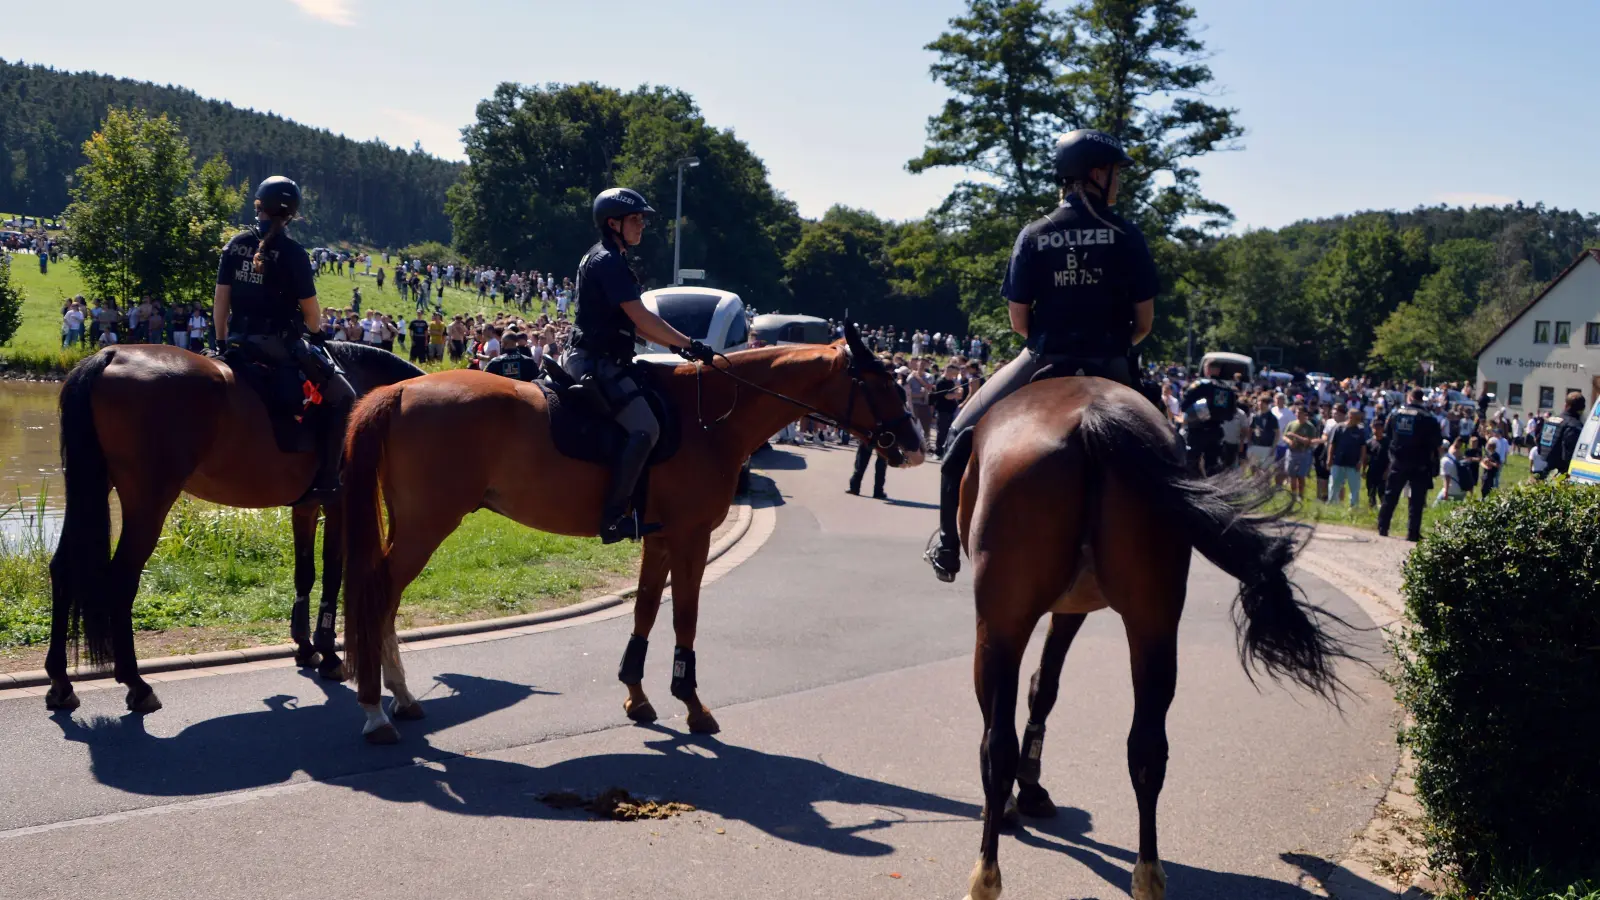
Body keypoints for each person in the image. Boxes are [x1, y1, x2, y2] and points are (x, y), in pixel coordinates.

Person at [926, 129, 1157, 581]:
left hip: (1045, 356)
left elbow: (1019, 321)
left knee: (959, 435)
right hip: (1111, 362)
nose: (1119, 181)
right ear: (1096, 174)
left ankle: (948, 545)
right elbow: (1144, 323)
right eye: (1116, 173)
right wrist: (1111, 349)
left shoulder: (1034, 234)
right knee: (1172, 450)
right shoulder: (1127, 234)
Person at [564, 187, 715, 544]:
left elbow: (634, 324)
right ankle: (613, 518)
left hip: (603, 357)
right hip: (596, 361)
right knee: (645, 428)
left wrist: (676, 347)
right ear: (612, 223)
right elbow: (642, 318)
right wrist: (689, 343)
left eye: (642, 220)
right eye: (635, 219)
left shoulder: (608, 257)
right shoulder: (607, 261)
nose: (641, 225)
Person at [213, 175, 355, 498]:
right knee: (344, 396)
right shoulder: (293, 253)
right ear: (291, 214)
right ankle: (327, 481)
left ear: (258, 205)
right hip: (278, 347)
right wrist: (316, 336)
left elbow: (220, 301)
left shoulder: (235, 245)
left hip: (237, 343)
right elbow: (311, 312)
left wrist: (220, 344)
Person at [1377, 388, 1444, 542]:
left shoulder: (1395, 414)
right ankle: (1412, 533)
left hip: (1398, 460)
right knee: (1417, 499)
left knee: (1391, 495)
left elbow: (1388, 434)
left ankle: (1383, 527)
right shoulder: (1428, 418)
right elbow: (1436, 442)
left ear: (1409, 398)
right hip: (1420, 462)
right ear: (1422, 399)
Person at [1180, 361, 1237, 475]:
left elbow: (1184, 404)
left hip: (1197, 430)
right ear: (1219, 370)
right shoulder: (1228, 389)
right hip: (1216, 431)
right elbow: (1231, 414)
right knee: (1212, 466)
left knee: (1191, 463)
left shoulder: (1201, 384)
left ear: (1208, 369)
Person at [1536, 391, 1586, 478]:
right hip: (1562, 474)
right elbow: (1568, 454)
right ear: (1582, 409)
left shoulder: (1550, 420)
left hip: (1545, 469)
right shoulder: (1574, 425)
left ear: (1565, 405)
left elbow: (1538, 442)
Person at [1326, 408, 1369, 509]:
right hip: (1338, 462)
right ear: (1350, 417)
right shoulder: (1338, 427)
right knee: (1334, 485)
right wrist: (1329, 458)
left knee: (1355, 487)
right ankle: (1332, 505)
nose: (1359, 420)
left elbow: (1363, 447)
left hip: (1353, 464)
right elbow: (1332, 444)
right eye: (1357, 418)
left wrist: (1361, 461)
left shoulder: (1360, 430)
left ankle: (1354, 507)